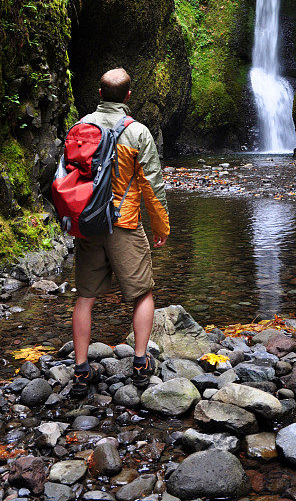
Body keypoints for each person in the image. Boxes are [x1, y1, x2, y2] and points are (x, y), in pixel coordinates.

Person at [70, 67, 169, 397]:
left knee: (85, 296)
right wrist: (161, 226)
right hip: (124, 224)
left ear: (99, 94)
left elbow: (67, 178)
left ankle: (82, 370)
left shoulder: (79, 128)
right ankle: (140, 364)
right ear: (128, 96)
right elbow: (151, 184)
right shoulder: (138, 132)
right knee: (142, 292)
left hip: (88, 224)